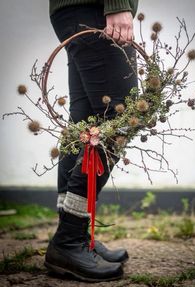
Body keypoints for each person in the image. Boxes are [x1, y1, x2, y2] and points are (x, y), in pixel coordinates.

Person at [45, 0, 139, 282]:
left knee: (86, 123)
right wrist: (117, 3)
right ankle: (69, 239)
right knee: (121, 117)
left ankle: (74, 235)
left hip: (78, 9)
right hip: (94, 7)